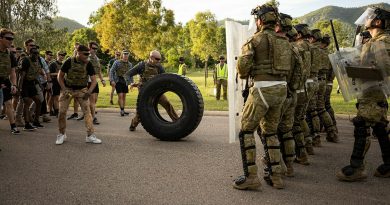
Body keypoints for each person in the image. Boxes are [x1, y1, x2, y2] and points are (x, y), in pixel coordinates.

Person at [233, 4, 291, 190]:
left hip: (261, 90)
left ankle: (251, 177)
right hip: (281, 90)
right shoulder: (286, 42)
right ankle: (276, 177)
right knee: (271, 132)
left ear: (259, 21)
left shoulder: (254, 41)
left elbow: (242, 69)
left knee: (246, 130)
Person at [336, 7, 390, 181]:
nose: (365, 19)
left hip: (374, 92)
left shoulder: (384, 41)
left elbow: (385, 68)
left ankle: (357, 167)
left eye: (369, 17)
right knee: (380, 127)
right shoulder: (373, 42)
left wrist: (363, 69)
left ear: (378, 22)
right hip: (369, 91)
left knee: (361, 125)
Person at [274, 13, 304, 177]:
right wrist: (292, 89)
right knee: (286, 131)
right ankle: (290, 165)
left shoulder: (275, 45)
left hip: (277, 95)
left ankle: (276, 164)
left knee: (269, 131)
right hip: (291, 94)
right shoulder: (294, 49)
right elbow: (300, 73)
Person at [56, 44, 102, 145]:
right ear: (78, 53)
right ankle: (61, 134)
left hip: (82, 90)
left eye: (89, 54)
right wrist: (64, 89)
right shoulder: (69, 61)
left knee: (87, 112)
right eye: (85, 54)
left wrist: (89, 92)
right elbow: (60, 76)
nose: (87, 56)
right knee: (62, 112)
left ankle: (90, 135)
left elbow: (94, 80)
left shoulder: (88, 64)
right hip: (68, 89)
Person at [125, 50, 179, 131]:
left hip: (157, 91)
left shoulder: (159, 66)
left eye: (160, 59)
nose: (159, 61)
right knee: (141, 112)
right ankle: (133, 124)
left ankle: (178, 123)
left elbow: (164, 78)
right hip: (144, 92)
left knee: (168, 105)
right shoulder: (142, 65)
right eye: (157, 59)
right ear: (151, 57)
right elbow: (128, 74)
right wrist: (131, 83)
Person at [292, 24, 312, 165]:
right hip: (305, 86)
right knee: (299, 119)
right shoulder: (310, 46)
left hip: (297, 87)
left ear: (298, 35)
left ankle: (300, 153)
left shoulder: (298, 47)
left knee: (292, 122)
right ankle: (307, 145)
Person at [19, 45, 45, 130]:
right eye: (34, 53)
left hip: (33, 83)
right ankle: (27, 124)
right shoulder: (26, 60)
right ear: (30, 53)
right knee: (27, 102)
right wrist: (20, 88)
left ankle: (36, 121)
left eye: (37, 53)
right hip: (25, 84)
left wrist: (40, 83)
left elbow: (36, 73)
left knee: (39, 101)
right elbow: (22, 75)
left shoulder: (38, 61)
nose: (36, 55)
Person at [0, 28, 19, 134]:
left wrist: (14, 85)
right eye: (8, 38)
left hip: (5, 80)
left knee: (9, 103)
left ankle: (13, 126)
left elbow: (13, 72)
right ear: (1, 38)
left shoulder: (10, 54)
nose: (11, 41)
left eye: (12, 39)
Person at [86, 42, 106, 125]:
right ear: (89, 48)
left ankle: (88, 114)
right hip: (88, 82)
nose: (95, 50)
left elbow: (99, 70)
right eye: (93, 48)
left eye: (96, 49)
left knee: (95, 100)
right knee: (92, 101)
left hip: (95, 82)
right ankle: (93, 118)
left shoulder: (97, 59)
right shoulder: (86, 57)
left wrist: (102, 80)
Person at [109, 50, 133, 116]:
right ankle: (122, 110)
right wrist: (112, 80)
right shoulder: (117, 62)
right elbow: (111, 71)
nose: (125, 56)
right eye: (124, 54)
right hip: (118, 80)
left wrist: (132, 83)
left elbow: (130, 74)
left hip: (125, 81)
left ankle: (123, 109)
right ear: (122, 55)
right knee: (120, 95)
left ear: (128, 56)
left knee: (124, 96)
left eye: (127, 54)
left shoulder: (130, 64)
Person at [48, 51, 66, 117]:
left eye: (63, 55)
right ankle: (55, 112)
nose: (62, 56)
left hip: (62, 82)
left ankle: (55, 110)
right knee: (55, 97)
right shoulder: (53, 64)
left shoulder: (64, 64)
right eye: (61, 55)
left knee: (59, 97)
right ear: (57, 55)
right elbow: (49, 73)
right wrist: (59, 74)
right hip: (54, 82)